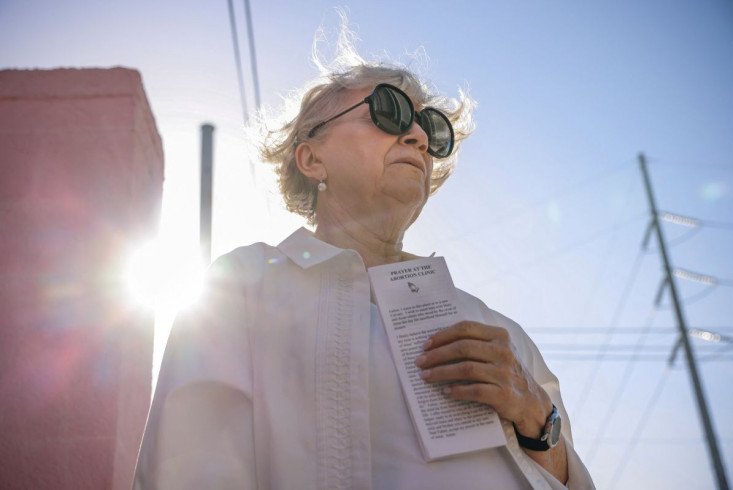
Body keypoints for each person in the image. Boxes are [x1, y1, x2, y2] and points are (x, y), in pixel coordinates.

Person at [133, 28, 595, 490]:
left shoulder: (501, 332)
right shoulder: (241, 287)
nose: (417, 137)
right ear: (312, 159)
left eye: (429, 129)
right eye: (389, 112)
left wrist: (538, 417)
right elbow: (188, 469)